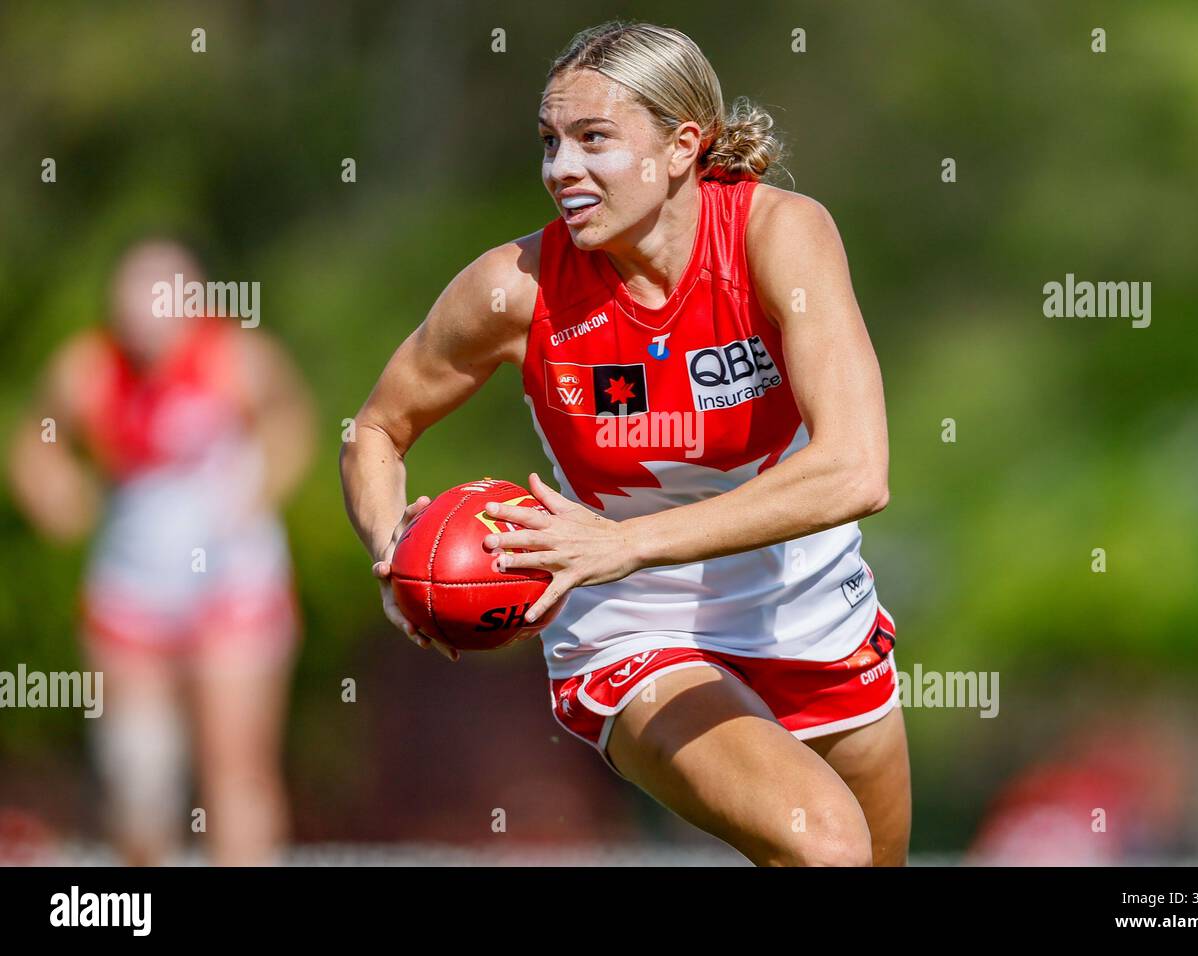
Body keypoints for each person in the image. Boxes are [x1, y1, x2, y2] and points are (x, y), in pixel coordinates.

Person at [340, 21, 909, 866]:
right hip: (633, 625)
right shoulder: (513, 289)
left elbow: (855, 472)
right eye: (549, 142)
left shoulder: (778, 236)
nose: (559, 168)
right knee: (826, 846)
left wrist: (623, 542)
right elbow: (376, 430)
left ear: (684, 145)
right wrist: (396, 552)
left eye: (593, 138)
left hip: (811, 605)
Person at [8, 239, 316, 865]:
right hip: (132, 591)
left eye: (161, 292)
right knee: (137, 775)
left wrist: (260, 487)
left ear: (194, 299)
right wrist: (55, 492)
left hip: (233, 585)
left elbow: (295, 421)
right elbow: (33, 443)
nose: (144, 309)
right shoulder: (88, 369)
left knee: (235, 772)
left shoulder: (236, 359)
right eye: (132, 292)